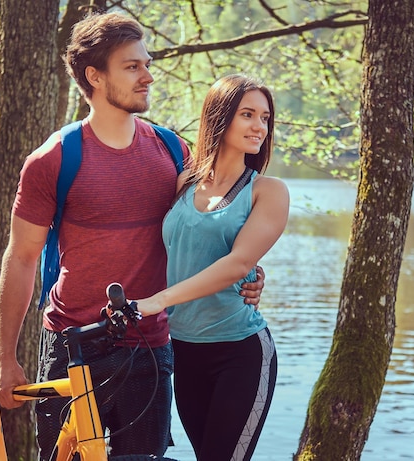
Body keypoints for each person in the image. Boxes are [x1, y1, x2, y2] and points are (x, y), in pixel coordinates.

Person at [0, 12, 264, 461]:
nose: (148, 76)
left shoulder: (174, 152)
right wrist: (5, 358)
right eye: (132, 66)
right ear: (94, 76)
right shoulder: (54, 159)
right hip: (70, 346)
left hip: (151, 347)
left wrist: (251, 269)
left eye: (147, 63)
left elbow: (208, 229)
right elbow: (20, 257)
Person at [136, 74, 289, 461]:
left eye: (265, 118)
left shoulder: (267, 191)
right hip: (183, 350)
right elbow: (174, 251)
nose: (259, 126)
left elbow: (238, 262)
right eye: (248, 114)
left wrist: (159, 300)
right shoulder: (183, 182)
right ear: (220, 117)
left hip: (240, 352)